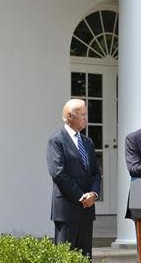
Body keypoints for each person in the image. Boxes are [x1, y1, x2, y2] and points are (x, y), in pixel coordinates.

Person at [46, 99, 101, 259]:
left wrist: (94, 194)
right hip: (67, 210)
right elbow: (58, 173)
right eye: (82, 115)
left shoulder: (88, 142)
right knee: (66, 257)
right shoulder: (57, 140)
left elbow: (96, 173)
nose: (86, 118)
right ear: (70, 116)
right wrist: (80, 196)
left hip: (87, 210)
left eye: (86, 114)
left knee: (85, 257)